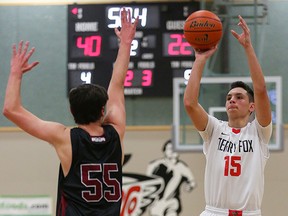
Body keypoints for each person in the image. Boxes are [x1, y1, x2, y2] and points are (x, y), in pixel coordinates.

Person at [3, 8, 138, 216]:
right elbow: (118, 84)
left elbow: (11, 110)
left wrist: (15, 74)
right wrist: (126, 44)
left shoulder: (65, 137)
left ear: (71, 110)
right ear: (103, 110)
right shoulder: (115, 133)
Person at [183, 15, 272, 216]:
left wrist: (248, 48)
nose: (232, 99)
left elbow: (261, 89)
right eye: (229, 96)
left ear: (252, 107)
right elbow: (189, 103)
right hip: (214, 212)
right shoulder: (214, 129)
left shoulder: (259, 132)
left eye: (239, 97)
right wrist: (199, 59)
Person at [146, 139, 196, 216]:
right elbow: (147, 181)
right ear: (164, 150)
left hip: (172, 201)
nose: (172, 151)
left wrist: (189, 186)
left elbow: (192, 181)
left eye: (175, 149)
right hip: (157, 201)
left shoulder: (182, 167)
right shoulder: (155, 165)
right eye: (169, 149)